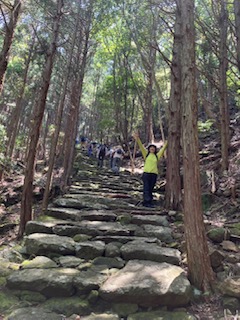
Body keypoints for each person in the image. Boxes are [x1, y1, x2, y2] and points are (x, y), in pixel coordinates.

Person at [133, 132, 168, 207]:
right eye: (151, 148)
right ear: (149, 149)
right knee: (146, 187)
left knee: (151, 188)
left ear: (155, 149)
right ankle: (146, 201)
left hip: (154, 174)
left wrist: (167, 142)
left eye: (153, 148)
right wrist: (137, 139)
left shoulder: (157, 156)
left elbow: (163, 149)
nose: (152, 149)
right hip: (146, 173)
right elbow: (141, 147)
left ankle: (149, 201)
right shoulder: (146, 154)